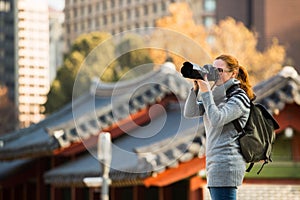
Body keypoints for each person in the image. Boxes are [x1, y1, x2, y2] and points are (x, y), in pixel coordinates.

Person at [184, 54, 255, 200]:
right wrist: (196, 89)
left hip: (226, 165)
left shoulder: (239, 97)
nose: (216, 75)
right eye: (213, 70)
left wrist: (207, 92)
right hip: (214, 164)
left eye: (220, 71)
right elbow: (190, 112)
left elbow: (217, 119)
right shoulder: (216, 97)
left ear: (233, 73)